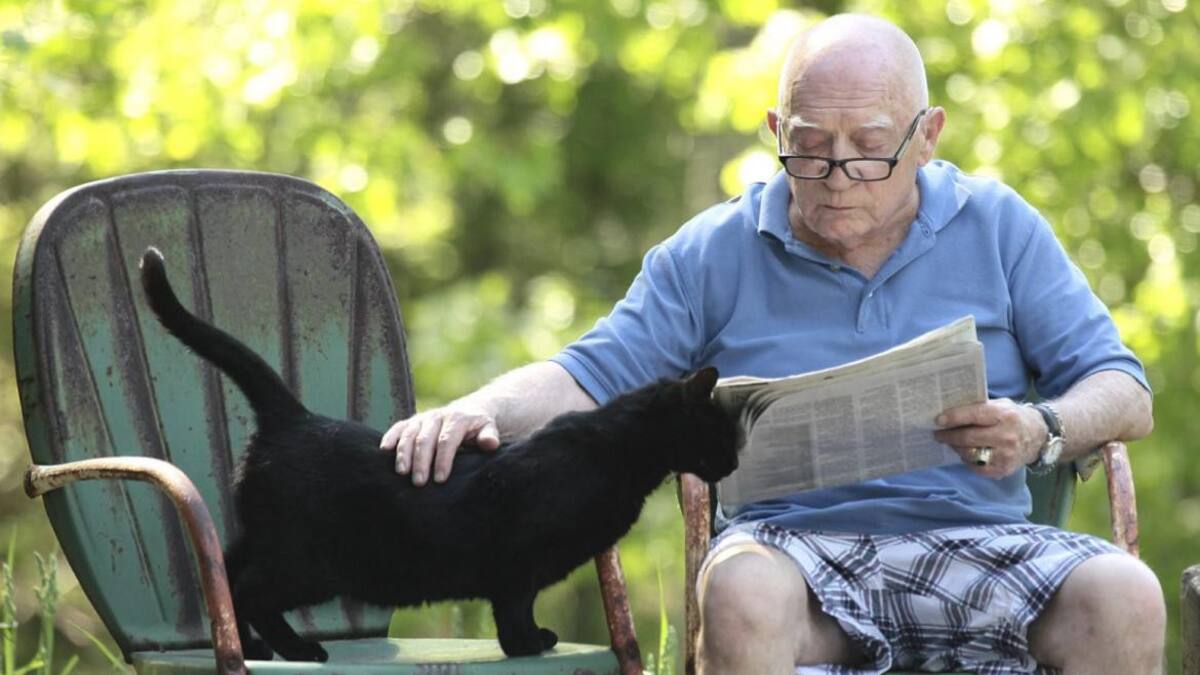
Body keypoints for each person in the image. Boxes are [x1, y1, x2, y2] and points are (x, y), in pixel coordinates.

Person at [380, 13, 1163, 674]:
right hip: (793, 557)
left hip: (976, 542)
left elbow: (1123, 387)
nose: (834, 174)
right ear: (774, 130)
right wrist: (473, 411)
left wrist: (1040, 428)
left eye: (868, 147)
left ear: (927, 138)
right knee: (741, 587)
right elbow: (589, 374)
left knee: (1126, 594)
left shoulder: (999, 226)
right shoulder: (715, 249)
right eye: (809, 144)